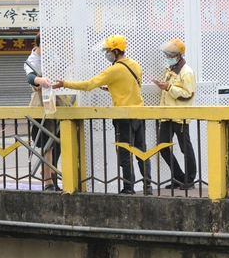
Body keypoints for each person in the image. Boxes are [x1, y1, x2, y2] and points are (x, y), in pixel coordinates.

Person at [52, 35, 153, 195]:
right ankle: (148, 186)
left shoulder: (114, 70)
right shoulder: (135, 65)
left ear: (116, 51)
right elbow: (133, 87)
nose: (107, 54)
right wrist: (112, 88)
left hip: (123, 117)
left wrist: (65, 83)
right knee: (142, 152)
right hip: (139, 115)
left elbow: (89, 85)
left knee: (125, 154)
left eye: (108, 51)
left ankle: (128, 188)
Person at [153, 38, 197, 190]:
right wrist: (165, 86)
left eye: (170, 55)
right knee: (163, 146)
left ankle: (189, 180)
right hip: (167, 115)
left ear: (179, 55)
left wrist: (168, 87)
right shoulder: (170, 70)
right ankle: (179, 177)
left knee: (186, 149)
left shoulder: (187, 72)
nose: (168, 57)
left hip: (180, 116)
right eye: (167, 55)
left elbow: (188, 94)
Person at [24, 32, 59, 191]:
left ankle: (52, 176)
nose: (51, 48)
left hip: (57, 102)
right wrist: (41, 80)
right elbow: (31, 78)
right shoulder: (32, 60)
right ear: (39, 44)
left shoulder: (52, 56)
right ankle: (48, 182)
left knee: (57, 143)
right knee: (47, 144)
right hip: (41, 103)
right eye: (48, 45)